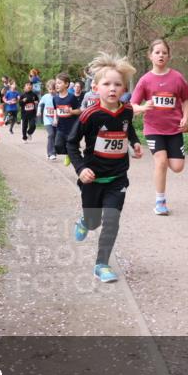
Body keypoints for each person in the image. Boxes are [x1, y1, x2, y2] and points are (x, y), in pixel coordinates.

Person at [67, 54, 143, 282]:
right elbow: (70, 143)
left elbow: (128, 129)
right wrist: (80, 169)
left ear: (124, 88)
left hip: (117, 178)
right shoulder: (89, 115)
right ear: (96, 87)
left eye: (118, 84)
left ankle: (101, 264)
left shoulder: (127, 111)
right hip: (92, 178)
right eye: (107, 84)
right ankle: (84, 221)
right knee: (94, 222)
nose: (112, 88)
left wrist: (135, 142)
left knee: (111, 219)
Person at [131, 39, 188, 212]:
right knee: (161, 162)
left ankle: (164, 167)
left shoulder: (177, 77)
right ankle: (160, 201)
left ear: (169, 56)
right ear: (150, 55)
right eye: (157, 52)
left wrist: (185, 119)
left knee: (177, 167)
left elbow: (186, 99)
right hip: (153, 129)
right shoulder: (145, 80)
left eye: (164, 52)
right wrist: (143, 107)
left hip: (174, 129)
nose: (161, 55)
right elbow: (133, 105)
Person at [52, 73, 82, 166]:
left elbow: (79, 110)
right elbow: (55, 110)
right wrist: (55, 118)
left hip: (72, 127)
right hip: (61, 126)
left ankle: (71, 155)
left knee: (72, 145)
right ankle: (68, 153)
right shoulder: (55, 98)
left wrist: (71, 111)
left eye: (59, 83)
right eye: (56, 83)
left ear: (66, 84)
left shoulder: (71, 97)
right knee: (57, 145)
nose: (57, 85)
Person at [38, 79, 58, 160]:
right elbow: (40, 104)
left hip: (56, 120)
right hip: (47, 119)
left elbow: (58, 108)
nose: (52, 91)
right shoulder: (45, 97)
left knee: (55, 136)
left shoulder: (58, 97)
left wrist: (56, 119)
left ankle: (51, 151)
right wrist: (39, 111)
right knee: (51, 134)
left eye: (53, 89)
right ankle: (51, 153)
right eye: (50, 89)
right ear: (47, 89)